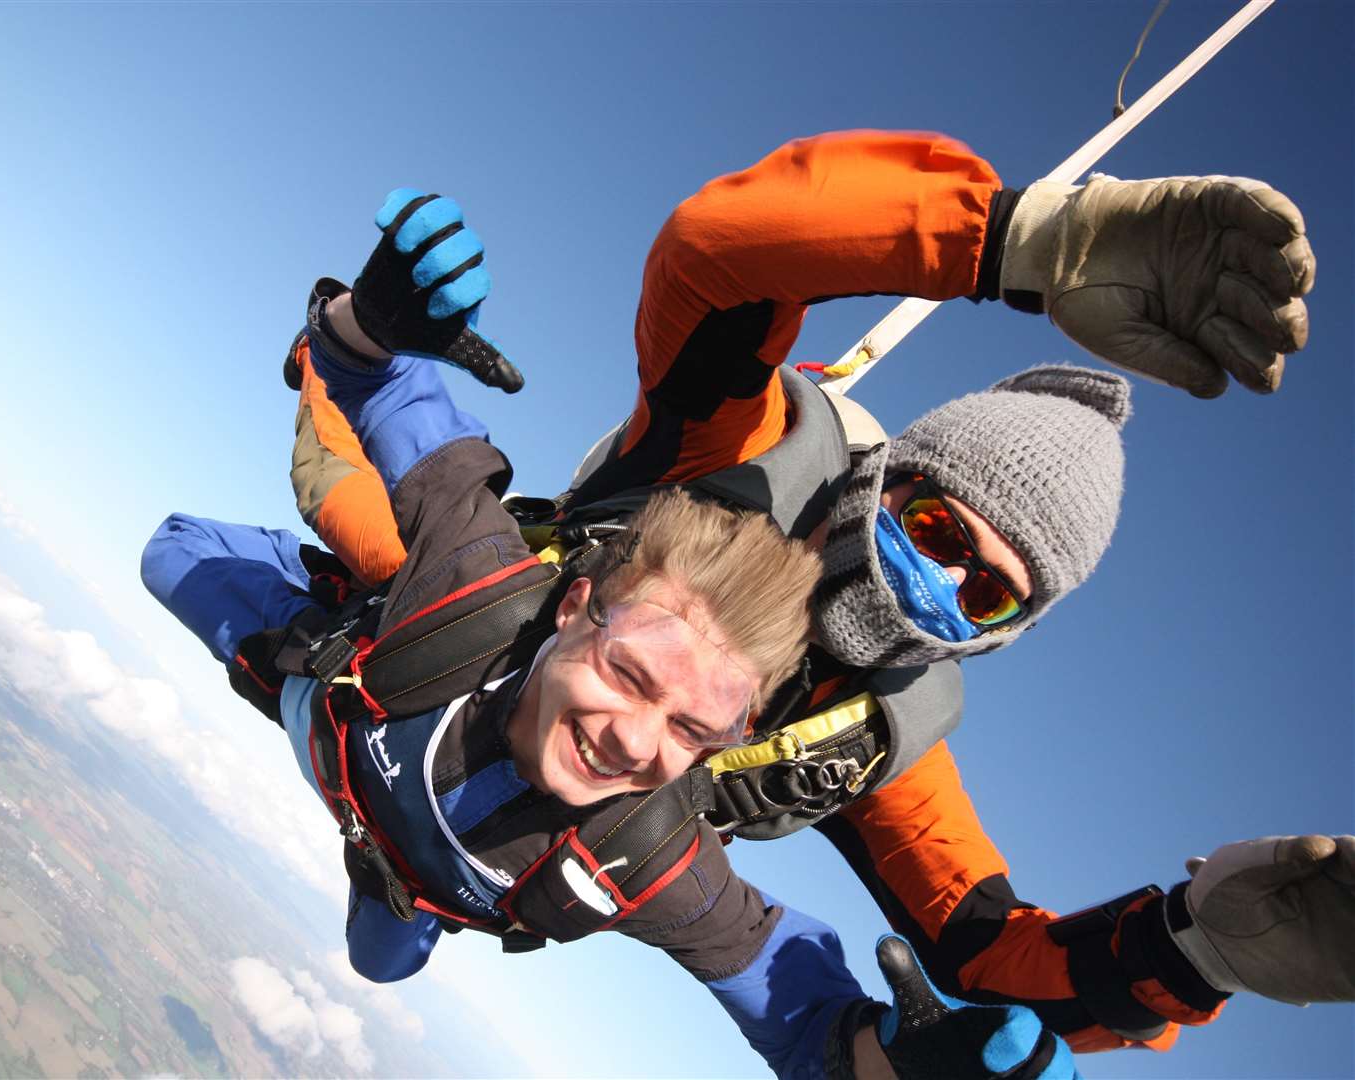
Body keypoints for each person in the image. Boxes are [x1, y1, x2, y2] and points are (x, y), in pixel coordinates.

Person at [284, 131, 1351, 1059]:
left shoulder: (886, 733)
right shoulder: (734, 465)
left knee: (386, 947)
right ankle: (343, 356)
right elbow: (721, 257)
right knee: (351, 540)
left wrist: (1200, 948)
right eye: (935, 528)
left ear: (997, 637)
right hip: (447, 671)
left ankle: (397, 885)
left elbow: (984, 945)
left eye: (986, 594)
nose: (941, 581)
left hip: (522, 862)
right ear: (884, 481)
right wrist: (1017, 241)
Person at [141, 192, 1083, 1080]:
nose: (634, 741)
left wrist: (908, 1063)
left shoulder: (652, 851)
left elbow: (809, 1023)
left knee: (378, 963)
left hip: (402, 876)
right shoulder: (470, 576)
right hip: (336, 687)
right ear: (571, 604)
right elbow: (379, 385)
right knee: (173, 556)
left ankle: (385, 859)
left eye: (689, 732)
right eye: (631, 675)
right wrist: (371, 322)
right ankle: (324, 631)